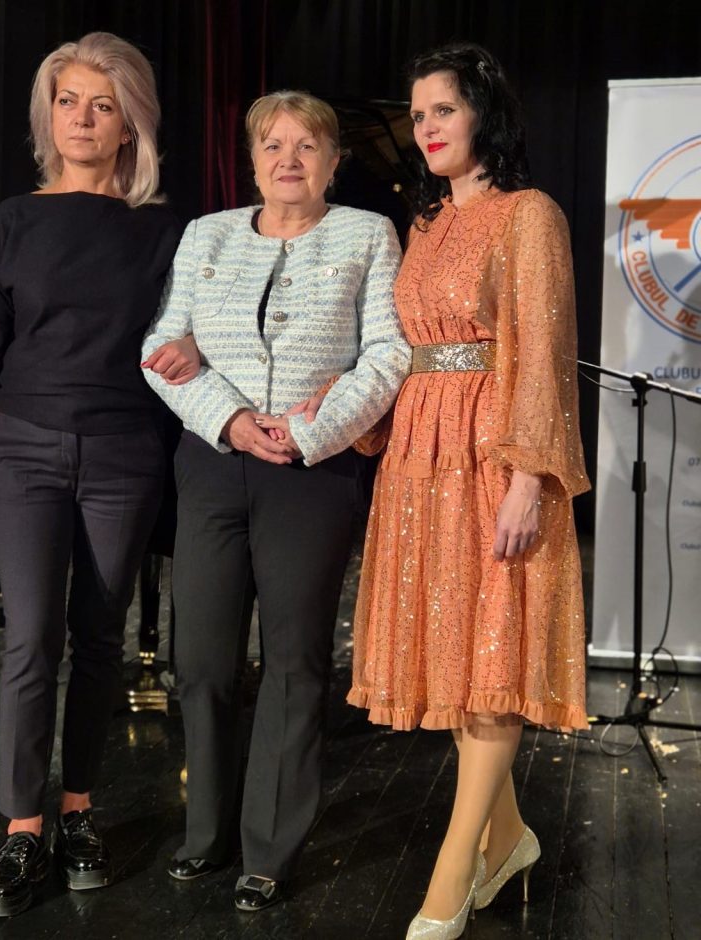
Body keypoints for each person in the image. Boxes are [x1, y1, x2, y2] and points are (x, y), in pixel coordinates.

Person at [141, 90, 410, 912]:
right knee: (202, 660)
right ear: (252, 160)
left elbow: (387, 354)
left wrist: (311, 430)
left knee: (294, 662)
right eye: (272, 145)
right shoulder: (207, 233)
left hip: (311, 471)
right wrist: (230, 419)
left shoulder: (368, 233)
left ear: (334, 161)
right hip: (214, 461)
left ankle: (269, 849)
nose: (288, 159)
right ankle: (207, 832)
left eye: (307, 145)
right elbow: (161, 344)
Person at [344, 43, 591, 939]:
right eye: (417, 116)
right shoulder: (423, 224)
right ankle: (510, 837)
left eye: (442, 110)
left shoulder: (529, 215)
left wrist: (529, 476)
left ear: (484, 114)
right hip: (420, 457)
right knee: (455, 655)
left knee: (492, 656)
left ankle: (451, 876)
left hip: (493, 453)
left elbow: (545, 352)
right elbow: (404, 348)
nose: (426, 128)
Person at [0, 32, 196, 917]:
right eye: (68, 101)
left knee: (101, 638)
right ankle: (22, 828)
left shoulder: (164, 230)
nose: (83, 118)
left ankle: (78, 812)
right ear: (48, 114)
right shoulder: (12, 221)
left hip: (124, 453)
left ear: (130, 124)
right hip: (24, 449)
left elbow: (187, 332)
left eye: (104, 105)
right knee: (30, 639)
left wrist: (191, 347)